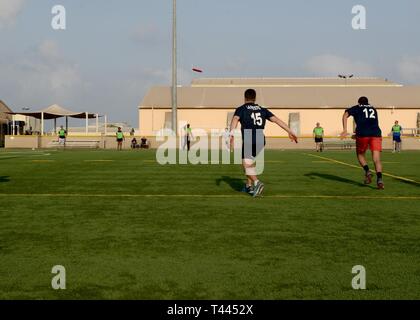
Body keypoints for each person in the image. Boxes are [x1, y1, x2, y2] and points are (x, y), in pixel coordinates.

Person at [230, 89, 298, 197]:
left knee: (245, 164)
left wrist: (231, 135)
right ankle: (249, 186)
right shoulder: (263, 109)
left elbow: (234, 120)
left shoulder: (241, 109)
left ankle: (257, 182)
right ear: (255, 98)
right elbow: (277, 120)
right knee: (250, 161)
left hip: (249, 137)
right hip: (261, 138)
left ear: (244, 98)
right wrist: (290, 131)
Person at [341, 96, 384, 190]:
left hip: (363, 134)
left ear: (359, 102)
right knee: (376, 159)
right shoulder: (373, 109)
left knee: (360, 155)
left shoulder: (357, 107)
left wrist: (345, 130)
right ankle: (380, 179)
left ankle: (367, 171)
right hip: (376, 134)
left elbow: (345, 114)